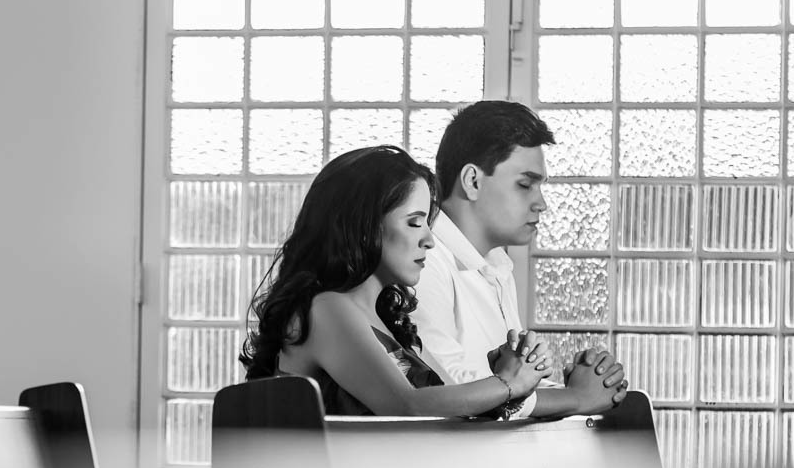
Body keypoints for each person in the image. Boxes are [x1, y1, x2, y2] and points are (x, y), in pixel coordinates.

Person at [241, 145, 550, 418]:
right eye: (414, 223)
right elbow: (407, 407)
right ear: (364, 227)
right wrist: (507, 382)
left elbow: (437, 410)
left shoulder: (384, 320)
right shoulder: (327, 308)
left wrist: (500, 376)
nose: (429, 240)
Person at [411, 101, 627, 419]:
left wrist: (585, 385)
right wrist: (575, 399)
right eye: (525, 185)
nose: (541, 204)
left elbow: (509, 386)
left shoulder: (497, 266)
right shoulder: (422, 262)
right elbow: (446, 390)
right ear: (472, 181)